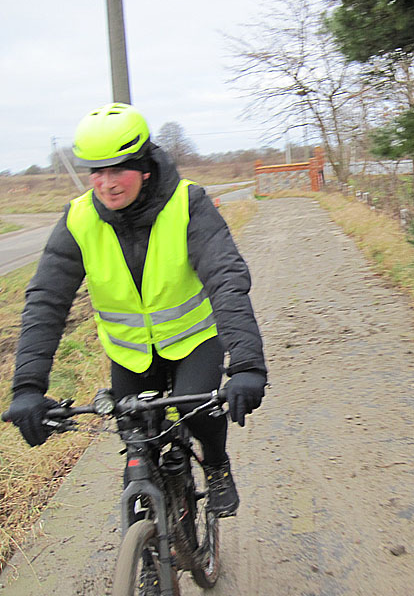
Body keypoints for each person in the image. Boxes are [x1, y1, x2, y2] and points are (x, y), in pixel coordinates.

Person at [6, 102, 267, 517]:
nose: (106, 184)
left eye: (118, 170)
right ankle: (150, 548)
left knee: (191, 407)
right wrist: (27, 389)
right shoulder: (78, 219)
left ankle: (216, 464)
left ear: (145, 167)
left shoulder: (188, 204)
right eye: (97, 172)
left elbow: (226, 279)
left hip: (193, 341)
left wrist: (248, 364)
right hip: (129, 353)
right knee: (135, 438)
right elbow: (46, 301)